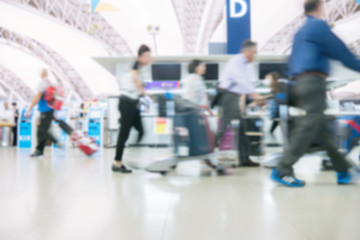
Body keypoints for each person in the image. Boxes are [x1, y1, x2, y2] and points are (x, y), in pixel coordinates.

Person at [271, 0, 360, 187]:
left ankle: (343, 170)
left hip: (300, 84)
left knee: (323, 130)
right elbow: (341, 52)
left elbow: (290, 62)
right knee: (307, 127)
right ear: (319, 7)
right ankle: (283, 169)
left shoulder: (300, 32)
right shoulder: (318, 26)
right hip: (313, 83)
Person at [216, 40, 264, 167]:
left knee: (241, 128)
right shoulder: (236, 61)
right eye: (253, 52)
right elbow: (239, 80)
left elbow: (248, 83)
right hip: (227, 96)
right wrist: (254, 95)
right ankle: (206, 151)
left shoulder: (247, 65)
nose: (255, 55)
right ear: (245, 51)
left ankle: (244, 158)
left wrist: (255, 96)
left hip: (235, 97)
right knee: (225, 126)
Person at [112, 45, 152, 173]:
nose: (149, 58)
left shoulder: (140, 68)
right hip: (126, 103)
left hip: (133, 104)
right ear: (140, 56)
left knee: (142, 131)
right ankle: (117, 162)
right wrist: (143, 91)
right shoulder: (135, 66)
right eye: (147, 56)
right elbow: (134, 77)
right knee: (124, 134)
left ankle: (130, 155)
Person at [26, 69, 62, 157]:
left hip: (45, 111)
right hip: (50, 110)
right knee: (42, 130)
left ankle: (55, 142)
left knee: (41, 131)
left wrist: (29, 108)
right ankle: (40, 150)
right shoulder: (50, 83)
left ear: (42, 74)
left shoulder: (42, 83)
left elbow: (37, 97)